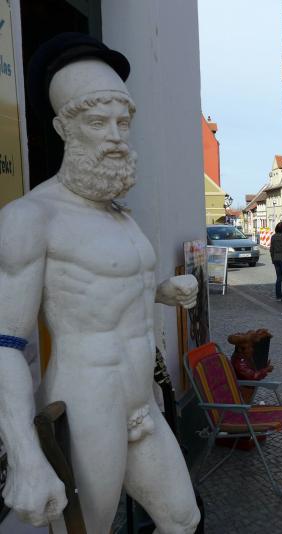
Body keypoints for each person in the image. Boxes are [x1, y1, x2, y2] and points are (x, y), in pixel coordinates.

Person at [0, 34, 200, 531]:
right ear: (63, 128)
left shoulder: (119, 215)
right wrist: (24, 456)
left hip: (142, 401)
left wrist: (160, 292)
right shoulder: (32, 217)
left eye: (122, 122)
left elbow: (101, 291)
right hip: (88, 404)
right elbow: (5, 344)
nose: (115, 136)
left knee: (183, 519)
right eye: (96, 122)